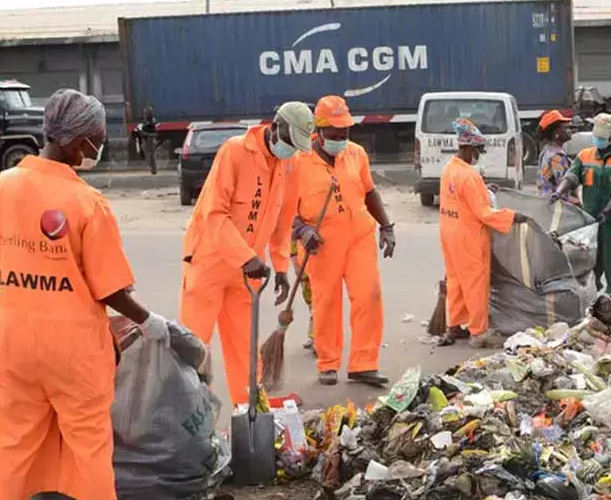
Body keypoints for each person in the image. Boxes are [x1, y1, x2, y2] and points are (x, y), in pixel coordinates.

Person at [0, 89, 169, 499]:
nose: (99, 147)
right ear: (79, 141)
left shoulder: (3, 186)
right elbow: (109, 288)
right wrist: (150, 322)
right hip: (72, 352)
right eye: (97, 138)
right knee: (89, 445)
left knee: (15, 441)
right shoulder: (86, 202)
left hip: (11, 341)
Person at [178, 101, 313, 406]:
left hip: (248, 269)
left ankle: (251, 404)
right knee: (194, 345)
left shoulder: (291, 163)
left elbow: (283, 217)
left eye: (297, 146)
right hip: (208, 261)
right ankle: (188, 411)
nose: (292, 150)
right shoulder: (235, 151)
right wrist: (246, 258)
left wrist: (280, 267)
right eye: (290, 142)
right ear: (275, 126)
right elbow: (215, 213)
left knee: (245, 345)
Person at [292, 96, 395, 387]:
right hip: (320, 243)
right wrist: (302, 231)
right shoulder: (298, 162)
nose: (341, 139)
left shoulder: (356, 154)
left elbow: (370, 192)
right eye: (335, 135)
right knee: (327, 303)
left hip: (359, 238)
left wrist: (386, 226)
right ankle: (328, 363)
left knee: (369, 296)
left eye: (345, 133)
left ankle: (364, 364)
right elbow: (283, 209)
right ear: (319, 131)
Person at [438, 118, 528, 348]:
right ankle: (478, 332)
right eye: (478, 150)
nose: (479, 154)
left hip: (450, 234)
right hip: (469, 237)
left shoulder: (450, 169)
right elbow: (484, 212)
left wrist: (485, 189)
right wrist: (511, 216)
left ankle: (455, 325)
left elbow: (463, 199)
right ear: (469, 148)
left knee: (456, 281)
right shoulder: (469, 175)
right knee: (475, 284)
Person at [552, 113, 611, 293]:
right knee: (589, 267)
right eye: (596, 136)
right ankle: (593, 303)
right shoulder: (584, 156)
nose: (598, 140)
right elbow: (571, 177)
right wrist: (559, 191)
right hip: (589, 222)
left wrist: (606, 211)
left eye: (602, 137)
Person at [537, 109, 575, 202]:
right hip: (556, 205)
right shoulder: (557, 156)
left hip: (544, 201)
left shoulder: (547, 150)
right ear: (556, 133)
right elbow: (564, 187)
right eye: (565, 128)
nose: (569, 130)